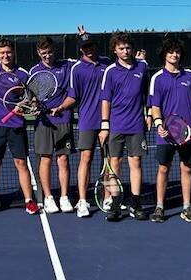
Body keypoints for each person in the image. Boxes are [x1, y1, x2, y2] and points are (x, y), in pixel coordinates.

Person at [0, 38, 40, 215]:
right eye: (2, 52)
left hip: (16, 126)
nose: (5, 55)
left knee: (21, 163)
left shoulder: (23, 74)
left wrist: (29, 105)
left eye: (8, 52)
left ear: (13, 53)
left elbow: (33, 98)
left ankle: (29, 200)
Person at [148, 38, 191, 223]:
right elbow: (155, 106)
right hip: (166, 133)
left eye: (177, 52)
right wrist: (159, 125)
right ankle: (159, 207)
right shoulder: (157, 78)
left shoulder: (190, 76)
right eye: (171, 51)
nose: (175, 55)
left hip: (189, 133)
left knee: (186, 168)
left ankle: (187, 207)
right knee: (163, 169)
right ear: (164, 54)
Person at [99, 32, 150, 221]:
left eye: (128, 47)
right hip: (116, 126)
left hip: (136, 124)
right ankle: (115, 202)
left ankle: (136, 203)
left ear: (133, 49)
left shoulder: (143, 67)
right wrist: (105, 126)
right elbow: (106, 100)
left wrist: (150, 114)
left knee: (136, 162)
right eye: (121, 48)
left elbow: (148, 94)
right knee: (115, 165)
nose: (125, 51)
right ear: (115, 50)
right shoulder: (110, 71)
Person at [29, 36, 76, 214]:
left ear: (54, 50)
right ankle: (48, 198)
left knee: (63, 159)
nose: (47, 56)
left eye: (49, 52)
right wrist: (34, 107)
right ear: (38, 52)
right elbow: (33, 98)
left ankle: (64, 197)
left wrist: (61, 107)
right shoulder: (34, 71)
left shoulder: (67, 66)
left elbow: (87, 58)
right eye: (43, 53)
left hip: (63, 119)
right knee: (46, 159)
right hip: (43, 121)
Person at [69, 26, 112, 218]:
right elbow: (72, 96)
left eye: (91, 45)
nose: (89, 49)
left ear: (96, 46)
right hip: (87, 121)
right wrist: (60, 108)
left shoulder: (108, 64)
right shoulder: (76, 69)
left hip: (109, 122)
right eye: (85, 46)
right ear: (81, 49)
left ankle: (109, 197)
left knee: (109, 162)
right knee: (85, 159)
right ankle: (83, 201)